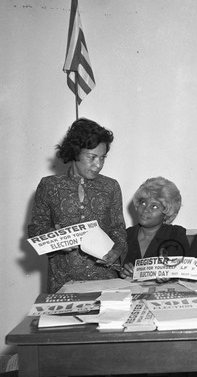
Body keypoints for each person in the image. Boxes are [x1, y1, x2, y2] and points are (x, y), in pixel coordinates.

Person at [28, 118, 127, 294]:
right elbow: (36, 229)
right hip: (62, 282)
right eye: (92, 157)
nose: (99, 165)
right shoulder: (49, 185)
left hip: (105, 281)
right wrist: (54, 240)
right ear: (75, 153)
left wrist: (117, 251)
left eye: (103, 158)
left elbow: (118, 230)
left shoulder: (111, 187)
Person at [119, 177, 189, 279]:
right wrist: (122, 272)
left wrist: (167, 276)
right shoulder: (125, 235)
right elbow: (113, 270)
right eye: (143, 203)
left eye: (154, 206)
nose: (145, 210)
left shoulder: (176, 234)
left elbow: (184, 273)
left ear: (166, 213)